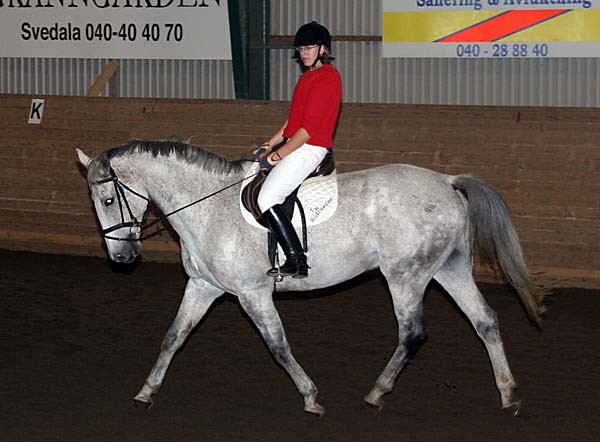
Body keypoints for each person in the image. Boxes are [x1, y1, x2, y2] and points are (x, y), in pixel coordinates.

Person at [254, 21, 342, 279]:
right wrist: (269, 144)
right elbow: (293, 122)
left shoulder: (327, 78)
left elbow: (307, 130)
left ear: (323, 49)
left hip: (310, 148)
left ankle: (296, 259)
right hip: (298, 144)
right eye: (301, 49)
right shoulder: (307, 77)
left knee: (266, 199)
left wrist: (275, 157)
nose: (304, 53)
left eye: (309, 48)